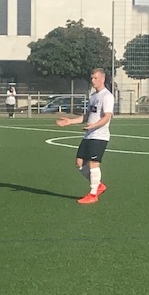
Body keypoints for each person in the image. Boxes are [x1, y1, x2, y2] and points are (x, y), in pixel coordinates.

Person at [56, 68, 114, 204]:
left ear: (102, 79)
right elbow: (87, 116)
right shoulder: (93, 96)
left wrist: (94, 126)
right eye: (92, 78)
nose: (93, 80)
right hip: (89, 135)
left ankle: (93, 194)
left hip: (100, 136)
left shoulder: (107, 96)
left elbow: (107, 117)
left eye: (95, 78)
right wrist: (70, 121)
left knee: (93, 164)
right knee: (79, 163)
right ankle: (98, 185)